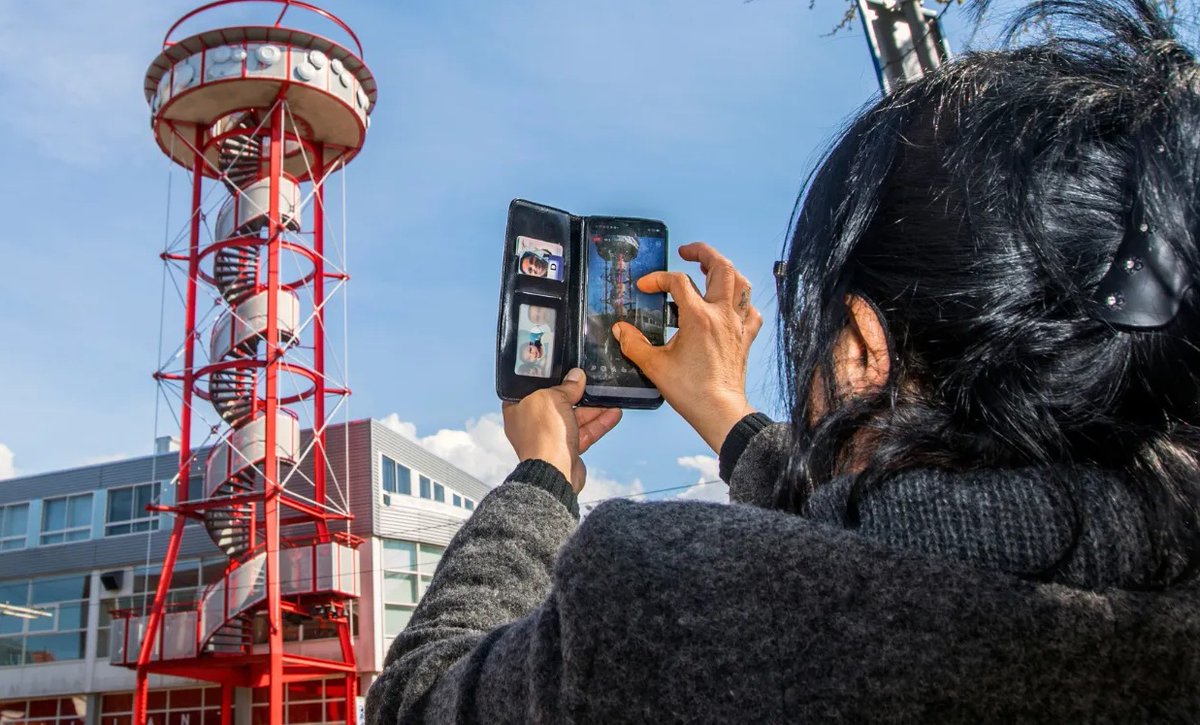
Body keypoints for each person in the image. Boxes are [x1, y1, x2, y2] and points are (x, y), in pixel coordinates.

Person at [366, 1, 1200, 721]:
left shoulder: (661, 601)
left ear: (864, 349)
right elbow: (879, 540)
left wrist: (543, 475)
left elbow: (417, 701)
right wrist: (724, 411)